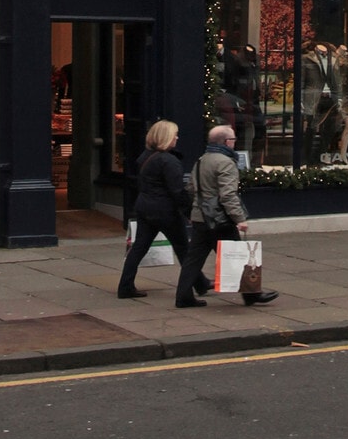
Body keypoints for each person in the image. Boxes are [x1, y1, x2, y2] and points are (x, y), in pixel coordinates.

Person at [176, 123, 277, 309]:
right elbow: (228, 195)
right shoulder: (226, 163)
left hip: (201, 218)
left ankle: (183, 296)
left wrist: (193, 212)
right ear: (225, 142)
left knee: (193, 259)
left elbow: (190, 189)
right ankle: (252, 295)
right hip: (220, 220)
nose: (234, 142)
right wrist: (239, 219)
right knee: (241, 255)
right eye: (233, 139)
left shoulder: (201, 160)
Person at [116, 120, 209, 301]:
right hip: (166, 212)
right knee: (185, 250)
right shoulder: (169, 161)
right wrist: (189, 213)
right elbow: (177, 191)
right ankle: (194, 287)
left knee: (139, 248)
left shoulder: (145, 157)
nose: (177, 137)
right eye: (174, 134)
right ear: (166, 137)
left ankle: (125, 286)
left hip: (145, 207)